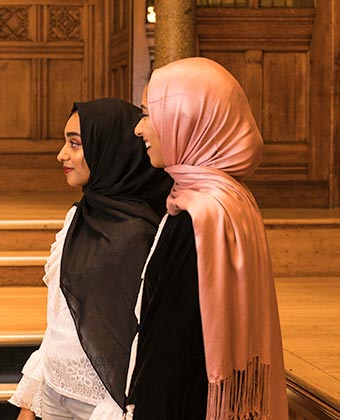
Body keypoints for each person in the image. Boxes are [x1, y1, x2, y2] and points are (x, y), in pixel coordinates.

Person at [126, 57, 288, 419]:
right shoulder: (229, 199)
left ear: (188, 120)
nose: (139, 129)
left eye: (148, 113)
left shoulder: (199, 216)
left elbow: (173, 344)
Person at [9, 98, 173, 420]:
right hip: (53, 391)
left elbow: (137, 341)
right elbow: (59, 316)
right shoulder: (78, 217)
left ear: (109, 148)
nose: (62, 154)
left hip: (102, 405)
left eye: (75, 144)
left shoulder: (139, 235)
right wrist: (31, 398)